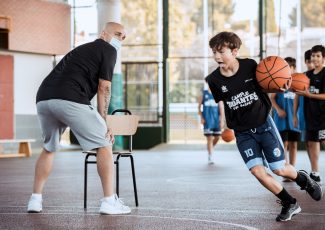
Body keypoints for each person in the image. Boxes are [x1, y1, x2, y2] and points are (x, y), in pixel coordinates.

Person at [205, 31, 322, 222]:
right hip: (242, 133)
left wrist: (279, 86)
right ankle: (289, 202)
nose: (217, 56)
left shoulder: (250, 65)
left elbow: (265, 85)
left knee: (279, 169)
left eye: (221, 51)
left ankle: (303, 179)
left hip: (263, 125)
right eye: (214, 52)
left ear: (234, 51)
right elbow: (225, 102)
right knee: (258, 172)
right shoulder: (213, 80)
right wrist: (225, 124)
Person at [27, 22, 131, 215]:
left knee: (49, 148)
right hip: (69, 98)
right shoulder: (108, 50)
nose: (120, 40)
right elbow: (104, 87)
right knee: (105, 142)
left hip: (44, 98)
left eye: (123, 37)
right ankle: (109, 201)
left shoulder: (80, 50)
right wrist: (104, 122)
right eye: (117, 34)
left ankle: (35, 199)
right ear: (103, 33)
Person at [294, 45, 325, 183]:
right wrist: (295, 114)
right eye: (313, 56)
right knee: (313, 143)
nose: (315, 58)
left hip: (323, 116)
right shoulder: (306, 76)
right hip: (310, 115)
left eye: (318, 56)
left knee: (322, 142)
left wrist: (309, 94)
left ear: (323, 58)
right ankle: (315, 172)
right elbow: (297, 92)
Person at [270, 57, 301, 173]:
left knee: (293, 144)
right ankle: (286, 169)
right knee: (284, 145)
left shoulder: (298, 82)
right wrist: (278, 110)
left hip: (294, 119)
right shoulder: (278, 81)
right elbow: (272, 99)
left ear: (293, 68)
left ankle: (293, 169)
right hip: (281, 120)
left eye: (289, 67)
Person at [198, 86, 224, 164]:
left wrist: (222, 120)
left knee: (217, 137)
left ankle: (210, 148)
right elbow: (199, 107)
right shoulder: (203, 93)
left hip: (216, 120)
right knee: (209, 138)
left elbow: (221, 107)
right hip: (207, 121)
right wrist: (201, 118)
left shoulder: (218, 94)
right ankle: (210, 156)